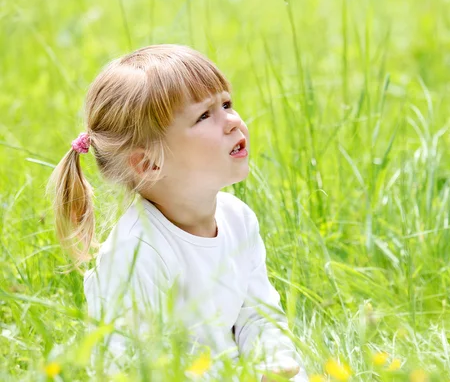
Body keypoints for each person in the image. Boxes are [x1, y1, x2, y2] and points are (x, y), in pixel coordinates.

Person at [48, 44, 307, 381]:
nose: (231, 121)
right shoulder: (136, 253)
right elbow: (134, 367)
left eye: (226, 104)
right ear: (149, 163)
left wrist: (274, 369)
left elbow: (259, 316)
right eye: (204, 115)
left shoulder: (238, 219)